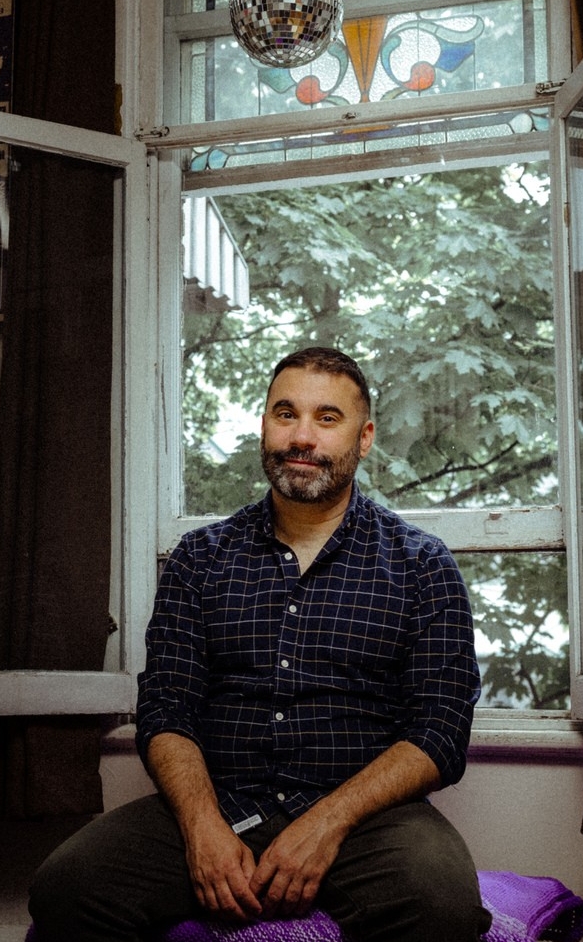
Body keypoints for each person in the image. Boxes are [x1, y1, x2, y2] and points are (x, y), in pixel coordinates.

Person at [29, 347, 489, 941]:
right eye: (284, 414)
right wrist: (201, 828)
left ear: (364, 436)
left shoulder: (422, 565)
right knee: (65, 888)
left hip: (364, 823)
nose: (302, 437)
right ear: (264, 424)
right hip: (220, 804)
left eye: (327, 418)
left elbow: (440, 732)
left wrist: (328, 821)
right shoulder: (201, 559)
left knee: (441, 903)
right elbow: (167, 708)